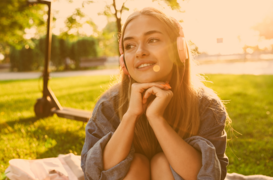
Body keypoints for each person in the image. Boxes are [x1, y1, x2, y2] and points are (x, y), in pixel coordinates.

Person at [81, 7, 229, 180]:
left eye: (152, 40)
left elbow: (208, 176)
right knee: (135, 165)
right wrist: (131, 115)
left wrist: (156, 119)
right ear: (123, 61)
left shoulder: (206, 104)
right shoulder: (109, 104)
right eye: (130, 45)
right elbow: (96, 173)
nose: (140, 52)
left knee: (163, 163)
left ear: (178, 50)